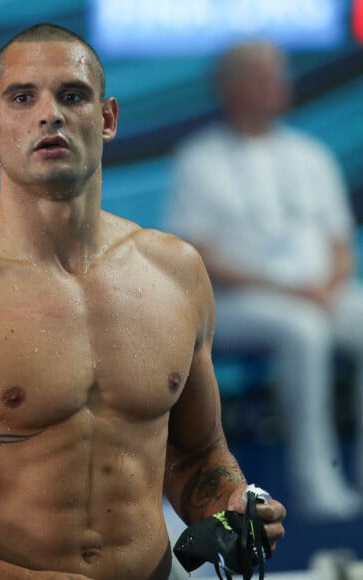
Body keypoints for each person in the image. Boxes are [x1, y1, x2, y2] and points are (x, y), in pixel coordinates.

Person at [0, 24, 286, 579]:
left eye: (72, 95)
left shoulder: (175, 272)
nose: (50, 114)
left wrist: (234, 505)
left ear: (108, 118)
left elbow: (197, 457)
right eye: (24, 97)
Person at [166, 40, 363, 521]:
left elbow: (340, 245)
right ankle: (317, 481)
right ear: (232, 87)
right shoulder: (200, 160)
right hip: (239, 302)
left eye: (279, 73)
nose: (280, 83)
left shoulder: (310, 155)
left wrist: (327, 284)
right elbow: (196, 254)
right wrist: (285, 290)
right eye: (266, 75)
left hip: (319, 292)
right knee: (301, 329)